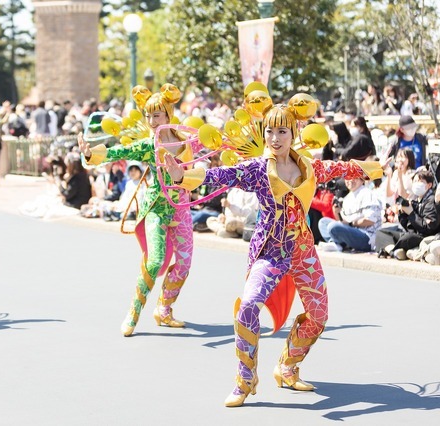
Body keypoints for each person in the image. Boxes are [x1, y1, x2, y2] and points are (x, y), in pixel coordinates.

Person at [163, 104, 384, 407]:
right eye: (270, 130)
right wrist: (182, 176)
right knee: (248, 306)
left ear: (293, 134)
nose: (275, 137)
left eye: (282, 131)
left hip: (303, 250)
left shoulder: (309, 167)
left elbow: (341, 167)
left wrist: (375, 168)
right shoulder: (257, 169)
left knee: (319, 317)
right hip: (271, 249)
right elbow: (223, 174)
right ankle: (245, 378)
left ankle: (287, 366)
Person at [78, 83, 198, 336]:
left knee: (184, 265)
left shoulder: (187, 143)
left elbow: (204, 165)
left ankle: (164, 309)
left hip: (181, 210)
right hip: (156, 208)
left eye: (157, 115)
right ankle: (134, 310)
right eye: (148, 115)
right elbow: (118, 151)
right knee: (154, 261)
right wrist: (91, 155)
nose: (152, 120)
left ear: (168, 115)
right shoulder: (148, 145)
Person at [375, 169, 440, 259]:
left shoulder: (431, 201)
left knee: (408, 238)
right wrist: (403, 213)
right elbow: (408, 227)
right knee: (381, 232)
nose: (417, 183)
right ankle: (394, 251)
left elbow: (428, 229)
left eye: (420, 181)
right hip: (415, 233)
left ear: (429, 185)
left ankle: (394, 250)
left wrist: (411, 213)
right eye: (415, 181)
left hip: (425, 236)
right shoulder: (417, 200)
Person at [317, 176, 382, 252]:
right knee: (323, 222)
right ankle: (337, 244)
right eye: (347, 177)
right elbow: (342, 222)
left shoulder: (368, 193)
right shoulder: (347, 198)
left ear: (362, 180)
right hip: (352, 231)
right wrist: (336, 212)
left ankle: (338, 244)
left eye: (354, 177)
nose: (350, 180)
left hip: (367, 237)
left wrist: (351, 224)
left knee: (333, 226)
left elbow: (370, 220)